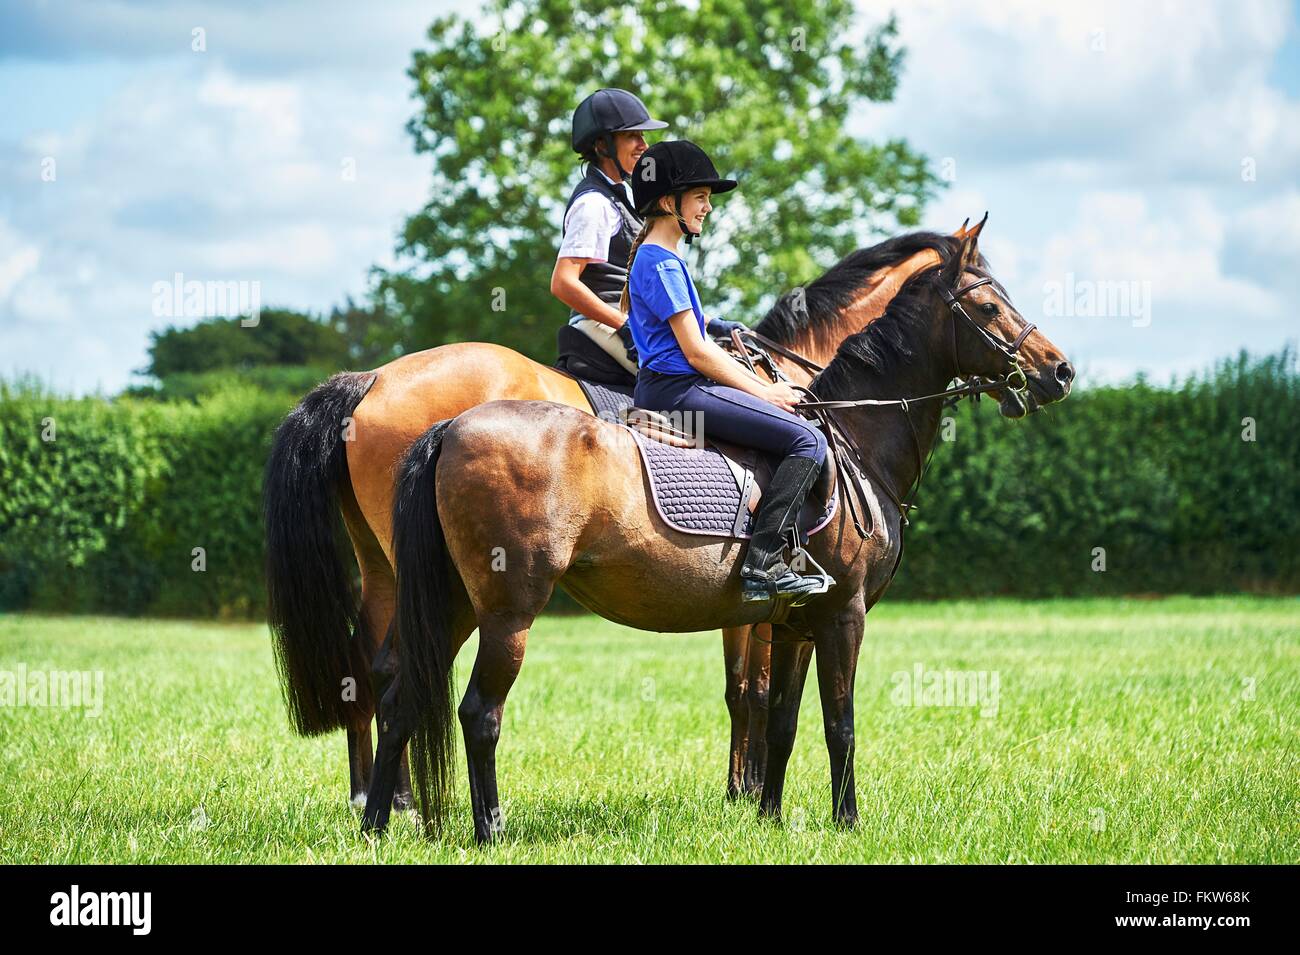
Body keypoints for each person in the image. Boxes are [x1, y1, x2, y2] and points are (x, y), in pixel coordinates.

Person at [622, 140, 834, 602]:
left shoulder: (661, 258)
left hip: (667, 386)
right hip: (679, 392)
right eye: (700, 198)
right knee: (807, 440)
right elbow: (697, 353)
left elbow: (686, 329)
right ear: (667, 202)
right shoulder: (661, 263)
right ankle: (764, 562)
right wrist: (765, 391)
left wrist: (717, 322)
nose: (708, 208)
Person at [552, 89, 741, 389]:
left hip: (633, 317)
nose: (644, 145)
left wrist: (708, 322)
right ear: (602, 145)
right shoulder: (594, 203)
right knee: (687, 379)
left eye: (643, 136)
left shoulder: (624, 195)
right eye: (632, 136)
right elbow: (563, 282)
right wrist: (624, 326)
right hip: (602, 323)